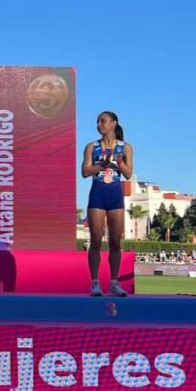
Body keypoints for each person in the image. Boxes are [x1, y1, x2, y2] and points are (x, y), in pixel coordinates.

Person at [81, 111, 133, 297]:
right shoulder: (91, 147)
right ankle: (95, 283)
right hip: (97, 194)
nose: (99, 124)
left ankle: (114, 282)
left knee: (115, 242)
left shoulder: (125, 147)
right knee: (95, 240)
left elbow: (128, 174)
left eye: (103, 121)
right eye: (98, 122)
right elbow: (85, 172)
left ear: (113, 123)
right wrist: (101, 166)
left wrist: (119, 162)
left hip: (115, 196)